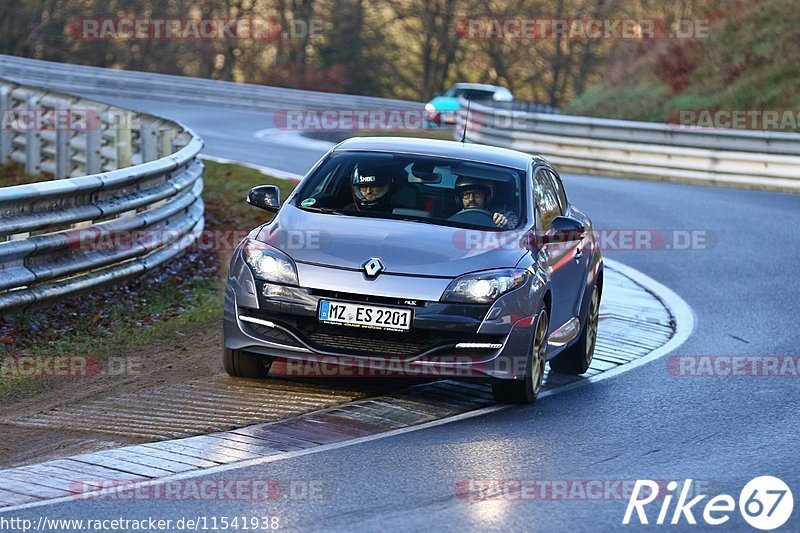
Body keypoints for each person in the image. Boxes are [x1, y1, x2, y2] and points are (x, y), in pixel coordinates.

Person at [452, 176, 519, 228]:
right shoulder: (452, 219)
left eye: (476, 194)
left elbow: (515, 235)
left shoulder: (506, 216)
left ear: (486, 197)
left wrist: (504, 226)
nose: (471, 199)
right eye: (466, 194)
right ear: (459, 199)